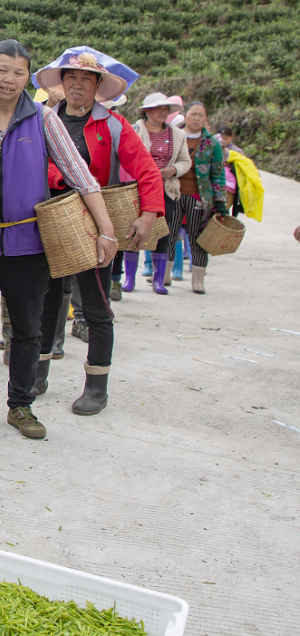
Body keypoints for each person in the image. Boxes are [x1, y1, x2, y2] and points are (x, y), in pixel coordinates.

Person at [0, 41, 116, 437]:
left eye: (19, 72)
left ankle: (21, 405)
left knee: (28, 328)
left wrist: (106, 229)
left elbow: (80, 175)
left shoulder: (43, 118)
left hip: (27, 243)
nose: (9, 79)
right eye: (2, 69)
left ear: (28, 78)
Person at [32, 50, 164, 415]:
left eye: (86, 79)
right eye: (71, 77)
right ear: (61, 82)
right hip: (48, 220)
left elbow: (147, 171)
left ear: (97, 86)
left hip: (94, 221)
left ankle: (96, 386)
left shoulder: (113, 125)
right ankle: (37, 374)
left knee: (96, 305)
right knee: (47, 299)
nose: (77, 84)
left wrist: (150, 213)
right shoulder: (42, 119)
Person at [129, 93, 192, 293]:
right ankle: (129, 279)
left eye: (166, 109)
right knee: (132, 231)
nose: (163, 112)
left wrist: (172, 170)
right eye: (158, 108)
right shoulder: (133, 131)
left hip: (167, 189)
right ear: (147, 111)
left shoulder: (178, 135)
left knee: (164, 233)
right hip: (139, 188)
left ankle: (159, 280)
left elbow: (185, 161)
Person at [176, 101, 227, 294]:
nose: (196, 118)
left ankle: (198, 281)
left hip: (200, 197)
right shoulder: (172, 135)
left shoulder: (211, 143)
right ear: (185, 115)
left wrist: (220, 202)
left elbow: (218, 174)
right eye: (193, 114)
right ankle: (163, 277)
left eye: (200, 115)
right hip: (173, 193)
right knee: (169, 235)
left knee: (198, 239)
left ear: (206, 119)